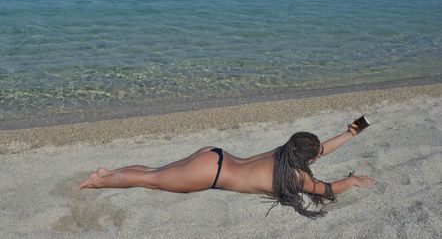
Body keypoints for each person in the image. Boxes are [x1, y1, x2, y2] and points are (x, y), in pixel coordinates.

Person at [79, 119, 374, 218]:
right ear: (307, 159)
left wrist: (351, 133)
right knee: (152, 180)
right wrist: (354, 181)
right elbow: (328, 189)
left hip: (215, 155)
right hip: (211, 174)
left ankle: (107, 172)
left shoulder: (284, 153)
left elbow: (320, 148)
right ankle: (98, 181)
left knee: (154, 171)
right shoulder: (296, 175)